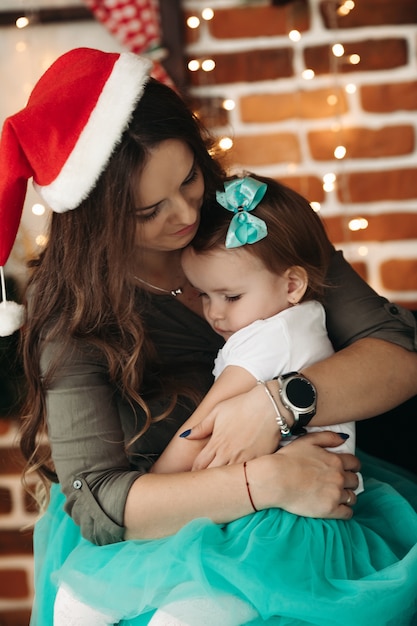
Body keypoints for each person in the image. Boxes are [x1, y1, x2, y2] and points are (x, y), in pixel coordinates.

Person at [0, 48, 415, 625]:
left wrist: (277, 404)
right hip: (163, 537)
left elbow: (396, 354)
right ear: (98, 217)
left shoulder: (252, 222)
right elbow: (100, 504)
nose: (186, 213)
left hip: (310, 510)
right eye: (150, 210)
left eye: (189, 177)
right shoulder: (73, 310)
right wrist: (261, 481)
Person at [152, 174, 361, 476]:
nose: (215, 313)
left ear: (292, 285)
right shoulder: (300, 319)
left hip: (288, 501)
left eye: (232, 297)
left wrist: (156, 484)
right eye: (204, 295)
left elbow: (200, 430)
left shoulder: (271, 338)